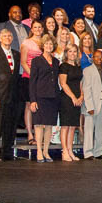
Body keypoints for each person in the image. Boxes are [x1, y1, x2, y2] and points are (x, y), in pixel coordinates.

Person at [29, 34, 60, 163]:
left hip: (53, 97)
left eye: (51, 44)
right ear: (43, 46)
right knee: (39, 124)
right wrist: (33, 100)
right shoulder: (36, 61)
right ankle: (39, 152)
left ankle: (46, 151)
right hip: (40, 96)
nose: (49, 46)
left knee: (49, 125)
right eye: (46, 44)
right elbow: (32, 81)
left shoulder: (56, 61)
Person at [0, 29, 20, 161]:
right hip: (0, 95)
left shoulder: (16, 54)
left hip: (13, 96)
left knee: (10, 125)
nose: (7, 38)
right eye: (4, 36)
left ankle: (7, 151)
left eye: (9, 36)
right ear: (0, 38)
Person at [82, 50, 102, 160]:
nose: (99, 59)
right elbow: (86, 89)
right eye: (96, 57)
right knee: (89, 129)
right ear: (93, 58)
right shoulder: (87, 70)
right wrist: (89, 106)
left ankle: (98, 152)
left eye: (101, 57)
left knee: (100, 129)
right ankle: (88, 152)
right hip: (92, 104)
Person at [20, 19, 44, 145]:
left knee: (40, 106)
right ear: (32, 29)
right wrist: (33, 76)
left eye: (40, 27)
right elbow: (23, 62)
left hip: (42, 79)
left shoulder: (45, 42)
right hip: (29, 78)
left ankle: (39, 135)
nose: (38, 29)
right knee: (29, 106)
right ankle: (30, 134)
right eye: (35, 27)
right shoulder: (26, 42)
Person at [58, 43, 83, 161]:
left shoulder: (78, 66)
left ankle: (70, 150)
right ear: (66, 53)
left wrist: (81, 96)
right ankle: (64, 152)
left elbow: (81, 83)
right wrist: (73, 97)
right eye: (70, 51)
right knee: (65, 126)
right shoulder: (63, 66)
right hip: (67, 99)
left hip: (77, 99)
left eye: (74, 51)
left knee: (73, 126)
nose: (72, 54)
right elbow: (63, 83)